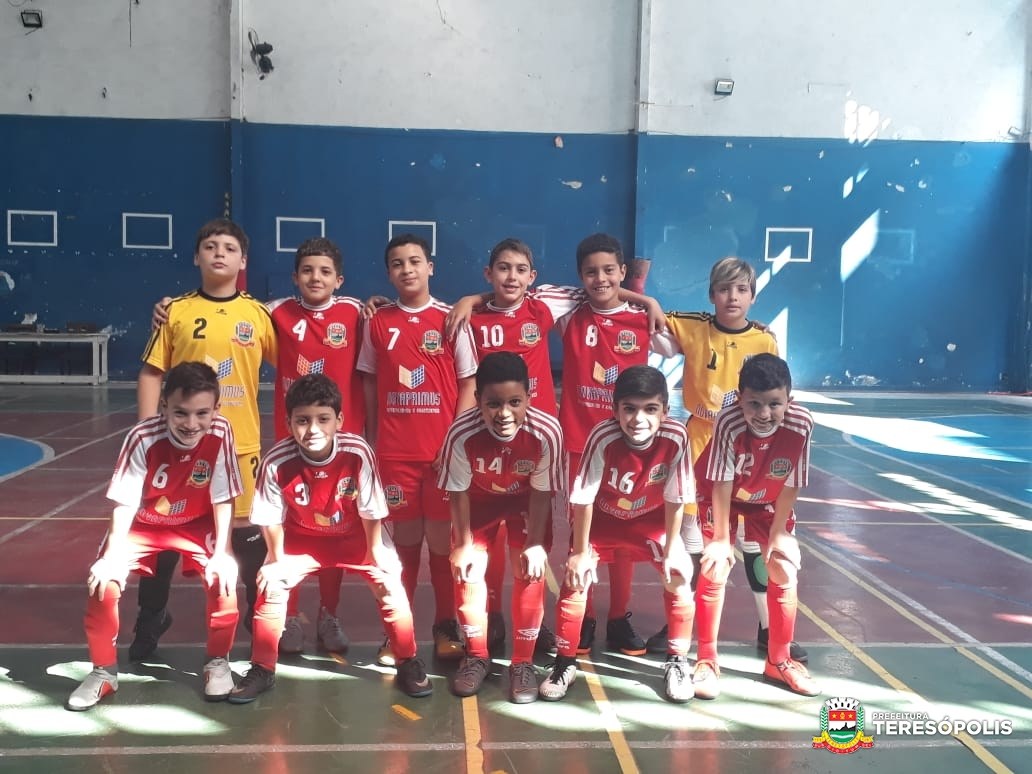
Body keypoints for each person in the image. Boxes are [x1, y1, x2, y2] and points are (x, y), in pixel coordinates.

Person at [226, 374, 432, 702]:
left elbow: (371, 509)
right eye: (302, 420)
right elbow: (271, 518)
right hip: (303, 539)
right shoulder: (276, 461)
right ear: (288, 422)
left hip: (356, 536)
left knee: (389, 582)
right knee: (270, 585)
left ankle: (407, 659)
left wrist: (377, 553)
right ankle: (263, 668)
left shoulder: (358, 452)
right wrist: (276, 561)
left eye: (323, 419)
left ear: (340, 420)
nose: (313, 429)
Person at [644, 257, 808, 667]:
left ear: (753, 296)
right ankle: (683, 622)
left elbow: (775, 392)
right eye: (724, 289)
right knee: (696, 540)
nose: (732, 297)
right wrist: (641, 293)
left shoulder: (764, 341)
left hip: (754, 447)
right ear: (712, 294)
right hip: (703, 439)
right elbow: (655, 327)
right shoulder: (695, 326)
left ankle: (768, 626)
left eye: (741, 290)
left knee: (755, 543)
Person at [134, 219, 277, 661]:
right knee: (164, 530)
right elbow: (151, 373)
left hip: (241, 447)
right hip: (178, 447)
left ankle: (258, 616)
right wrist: (148, 438)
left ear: (243, 260)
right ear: (196, 257)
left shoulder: (258, 315)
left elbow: (300, 351)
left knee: (246, 535)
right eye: (210, 246)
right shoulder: (175, 311)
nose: (219, 253)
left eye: (229, 247)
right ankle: (151, 615)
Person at [65, 362, 241, 710]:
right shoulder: (143, 437)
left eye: (202, 413)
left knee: (224, 581)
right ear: (163, 406)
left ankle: (217, 662)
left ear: (216, 409)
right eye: (181, 413)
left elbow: (223, 497)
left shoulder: (221, 431)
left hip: (195, 523)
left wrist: (223, 552)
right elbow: (124, 502)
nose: (192, 424)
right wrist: (112, 556)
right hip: (143, 523)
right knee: (104, 582)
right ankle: (103, 673)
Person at [538, 365, 695, 703]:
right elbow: (583, 498)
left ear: (666, 411)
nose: (639, 419)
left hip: (649, 521)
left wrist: (672, 548)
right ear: (615, 409)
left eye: (650, 409)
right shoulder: (602, 436)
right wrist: (579, 553)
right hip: (604, 520)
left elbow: (676, 496)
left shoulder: (677, 437)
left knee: (680, 573)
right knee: (575, 578)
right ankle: (564, 662)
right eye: (630, 409)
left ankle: (677, 660)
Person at [357, 233, 478, 665]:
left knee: (443, 548)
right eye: (396, 263)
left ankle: (446, 627)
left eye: (414, 261)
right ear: (388, 273)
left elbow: (468, 383)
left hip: (442, 456)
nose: (406, 269)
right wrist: (373, 436)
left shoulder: (451, 319)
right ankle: (398, 631)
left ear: (430, 267)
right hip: (395, 454)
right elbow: (369, 380)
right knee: (405, 545)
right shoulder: (377, 322)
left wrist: (455, 438)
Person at [692, 353, 820, 698]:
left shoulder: (801, 424)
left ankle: (778, 660)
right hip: (723, 493)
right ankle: (706, 659)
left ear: (789, 400)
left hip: (769, 496)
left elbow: (792, 479)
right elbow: (720, 483)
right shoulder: (729, 423)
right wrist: (720, 538)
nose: (764, 414)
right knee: (715, 566)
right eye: (755, 404)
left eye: (774, 404)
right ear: (739, 397)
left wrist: (778, 534)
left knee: (783, 567)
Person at [439, 352, 563, 703]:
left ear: (529, 398)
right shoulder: (461, 433)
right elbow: (457, 493)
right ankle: (476, 654)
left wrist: (535, 543)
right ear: (477, 400)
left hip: (525, 502)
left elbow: (541, 495)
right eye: (493, 403)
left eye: (514, 402)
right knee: (467, 571)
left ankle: (522, 662)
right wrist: (463, 544)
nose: (504, 414)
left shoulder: (546, 433)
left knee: (530, 570)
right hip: (478, 501)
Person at [266, 237, 366, 655]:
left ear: (339, 279)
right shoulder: (274, 312)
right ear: (294, 277)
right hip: (292, 442)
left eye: (325, 271)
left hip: (342, 442)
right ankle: (288, 614)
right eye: (307, 270)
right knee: (291, 529)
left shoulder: (357, 311)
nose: (315, 278)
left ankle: (328, 613)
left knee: (334, 528)